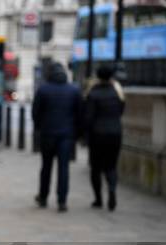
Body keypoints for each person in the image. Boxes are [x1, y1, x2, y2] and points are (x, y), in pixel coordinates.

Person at [32, 62, 83, 212]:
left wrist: (40, 128)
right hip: (66, 135)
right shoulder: (74, 90)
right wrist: (76, 133)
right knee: (64, 168)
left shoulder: (43, 90)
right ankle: (62, 201)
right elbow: (79, 114)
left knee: (46, 167)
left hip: (48, 134)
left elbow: (36, 113)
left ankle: (43, 197)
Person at [85, 64, 125, 211]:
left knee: (95, 167)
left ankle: (98, 199)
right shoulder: (117, 93)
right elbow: (121, 111)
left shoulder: (93, 93)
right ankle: (112, 190)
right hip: (115, 133)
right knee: (111, 166)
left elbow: (88, 117)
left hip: (97, 135)